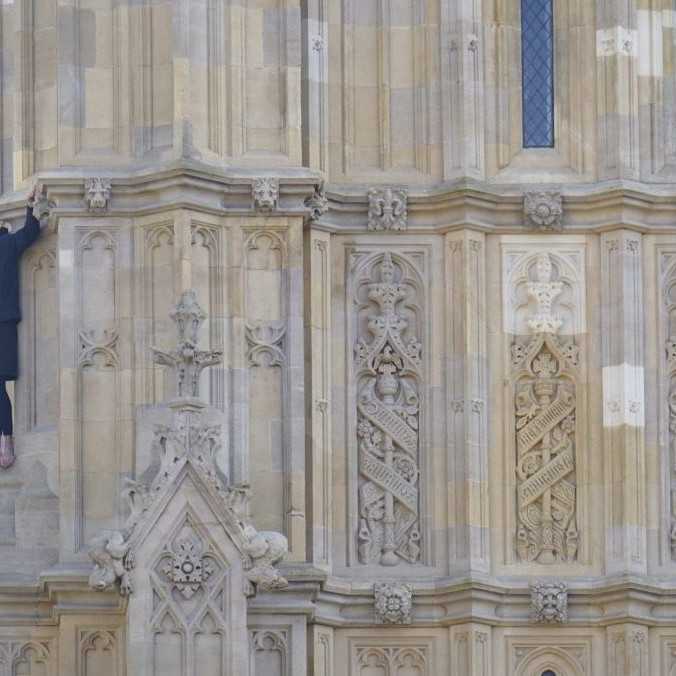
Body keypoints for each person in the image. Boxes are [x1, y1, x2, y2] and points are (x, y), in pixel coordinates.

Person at [0, 186, 44, 469]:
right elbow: (32, 231)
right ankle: (6, 440)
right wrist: (31, 205)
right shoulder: (8, 244)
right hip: (5, 321)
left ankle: (5, 440)